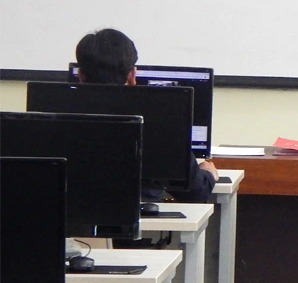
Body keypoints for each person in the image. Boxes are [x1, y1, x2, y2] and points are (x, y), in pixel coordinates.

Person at [76, 28, 218, 203]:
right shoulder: (157, 121)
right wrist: (208, 174)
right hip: (138, 215)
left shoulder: (57, 116)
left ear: (81, 76)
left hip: (69, 216)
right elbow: (196, 192)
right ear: (132, 75)